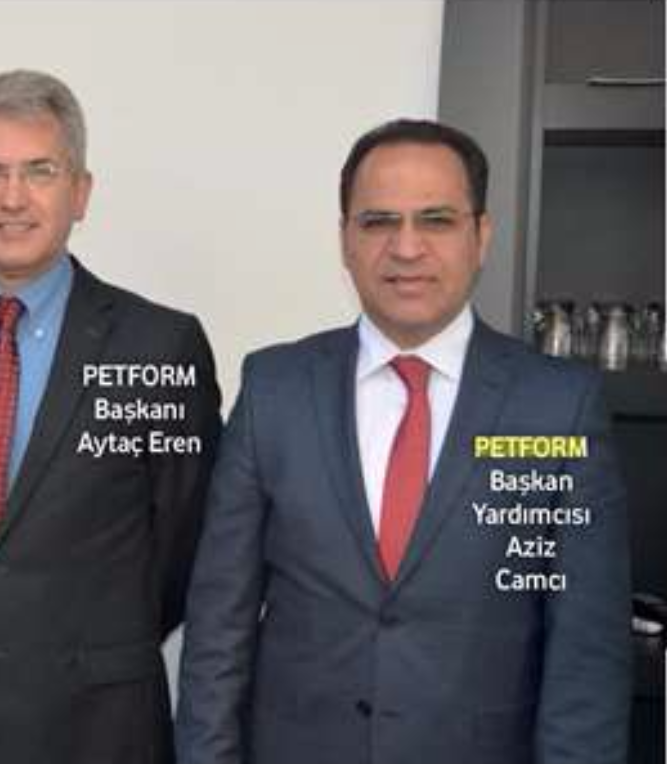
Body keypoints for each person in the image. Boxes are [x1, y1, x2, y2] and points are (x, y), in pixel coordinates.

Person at [175, 119, 633, 764]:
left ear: (481, 236)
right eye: (379, 222)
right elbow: (217, 626)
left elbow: (585, 656)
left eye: (436, 220)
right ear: (345, 240)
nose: (407, 247)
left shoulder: (557, 408)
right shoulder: (275, 390)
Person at [0, 69, 223, 764]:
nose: (13, 197)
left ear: (80, 192)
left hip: (93, 726)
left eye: (40, 172)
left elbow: (184, 540)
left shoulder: (158, 346)